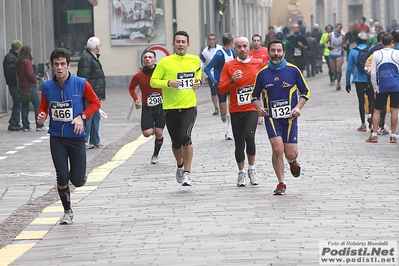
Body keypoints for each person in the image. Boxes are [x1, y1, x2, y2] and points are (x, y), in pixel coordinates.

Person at [37, 48, 101, 224]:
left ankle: (80, 175)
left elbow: (95, 102)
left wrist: (82, 116)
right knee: (62, 175)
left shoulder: (81, 83)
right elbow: (43, 107)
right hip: (57, 137)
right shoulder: (47, 87)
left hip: (76, 137)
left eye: (62, 64)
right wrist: (42, 115)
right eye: (56, 64)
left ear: (68, 65)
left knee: (77, 181)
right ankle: (67, 211)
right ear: (52, 66)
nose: (59, 68)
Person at [252, 39, 310, 195]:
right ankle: (281, 183)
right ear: (268, 52)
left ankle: (292, 161)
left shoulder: (293, 70)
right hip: (272, 118)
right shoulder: (262, 74)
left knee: (290, 152)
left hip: (290, 119)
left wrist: (298, 107)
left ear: (284, 52)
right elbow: (254, 96)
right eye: (273, 51)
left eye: (279, 51)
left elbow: (306, 92)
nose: (276, 54)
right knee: (277, 149)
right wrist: (259, 108)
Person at [150, 30, 202, 186]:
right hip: (171, 108)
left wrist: (197, 82)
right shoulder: (165, 62)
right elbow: (153, 81)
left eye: (183, 42)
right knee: (176, 142)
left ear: (188, 44)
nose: (181, 44)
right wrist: (168, 83)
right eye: (178, 42)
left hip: (189, 106)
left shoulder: (195, 60)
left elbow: (198, 74)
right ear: (173, 44)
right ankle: (179, 165)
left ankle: (187, 172)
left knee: (186, 136)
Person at [219, 36, 263, 187]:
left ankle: (252, 169)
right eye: (239, 47)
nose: (242, 49)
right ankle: (241, 172)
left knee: (250, 138)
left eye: (245, 46)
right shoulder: (229, 66)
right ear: (235, 49)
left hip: (251, 108)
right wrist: (231, 80)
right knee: (239, 143)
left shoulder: (258, 64)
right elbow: (221, 89)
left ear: (249, 47)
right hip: (236, 110)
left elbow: (265, 84)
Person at [128, 50, 164, 164]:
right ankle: (152, 127)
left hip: (161, 106)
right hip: (147, 106)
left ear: (155, 60)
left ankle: (155, 155)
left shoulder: (161, 73)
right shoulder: (138, 76)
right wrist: (136, 99)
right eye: (145, 57)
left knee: (159, 132)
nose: (147, 59)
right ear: (143, 61)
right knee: (147, 133)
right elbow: (131, 87)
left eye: (150, 57)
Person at [366, 32, 399, 144]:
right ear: (392, 42)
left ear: (381, 42)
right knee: (394, 110)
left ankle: (374, 134)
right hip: (395, 85)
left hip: (382, 85)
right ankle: (393, 135)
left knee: (377, 110)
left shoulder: (376, 54)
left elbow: (374, 74)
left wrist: (375, 88)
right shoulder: (397, 53)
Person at [204, 33, 236, 140]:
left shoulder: (232, 52)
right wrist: (214, 81)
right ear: (231, 42)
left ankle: (229, 131)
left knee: (232, 108)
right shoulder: (219, 54)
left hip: (232, 83)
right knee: (224, 112)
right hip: (221, 84)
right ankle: (224, 116)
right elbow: (207, 68)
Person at [77, 37, 107, 149]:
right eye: (100, 45)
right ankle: (85, 141)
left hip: (95, 94)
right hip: (90, 95)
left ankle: (95, 140)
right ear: (97, 46)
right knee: (88, 117)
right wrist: (88, 93)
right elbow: (84, 78)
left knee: (95, 117)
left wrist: (101, 94)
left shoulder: (91, 57)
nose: (100, 47)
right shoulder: (87, 58)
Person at [15, 45, 47, 132]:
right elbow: (30, 74)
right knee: (37, 104)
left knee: (25, 106)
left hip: (22, 86)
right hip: (29, 85)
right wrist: (34, 81)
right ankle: (39, 124)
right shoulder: (27, 62)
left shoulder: (18, 62)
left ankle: (26, 126)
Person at [345, 32, 372, 132]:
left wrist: (347, 82)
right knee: (371, 100)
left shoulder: (353, 52)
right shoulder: (370, 50)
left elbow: (349, 68)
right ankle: (371, 118)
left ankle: (363, 124)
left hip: (358, 79)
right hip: (369, 78)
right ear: (366, 40)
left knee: (361, 101)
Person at [249, 33, 269, 125]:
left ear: (261, 42)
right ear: (252, 42)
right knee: (256, 97)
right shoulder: (249, 54)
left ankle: (267, 112)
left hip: (265, 77)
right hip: (254, 79)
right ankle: (259, 115)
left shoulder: (266, 51)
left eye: (258, 41)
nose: (256, 42)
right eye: (254, 41)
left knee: (265, 97)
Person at [200, 33, 222, 116]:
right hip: (210, 74)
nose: (211, 41)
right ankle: (216, 107)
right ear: (208, 40)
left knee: (221, 91)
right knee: (213, 91)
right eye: (210, 39)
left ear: (215, 40)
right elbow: (201, 61)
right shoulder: (205, 51)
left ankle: (222, 105)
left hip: (219, 72)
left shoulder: (220, 49)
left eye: (213, 39)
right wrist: (201, 67)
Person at [3, 40, 22, 131]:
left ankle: (14, 121)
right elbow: (11, 73)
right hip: (14, 84)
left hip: (13, 84)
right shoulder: (11, 58)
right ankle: (14, 122)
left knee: (17, 102)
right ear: (18, 48)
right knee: (17, 102)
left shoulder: (11, 57)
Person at [324, 23, 346, 91]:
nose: (339, 28)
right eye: (338, 27)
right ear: (335, 28)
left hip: (339, 52)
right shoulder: (331, 35)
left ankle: (338, 83)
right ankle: (335, 75)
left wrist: (345, 45)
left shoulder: (342, 36)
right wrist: (328, 47)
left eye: (340, 27)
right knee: (333, 69)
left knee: (339, 68)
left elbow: (344, 43)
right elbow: (325, 42)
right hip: (332, 53)